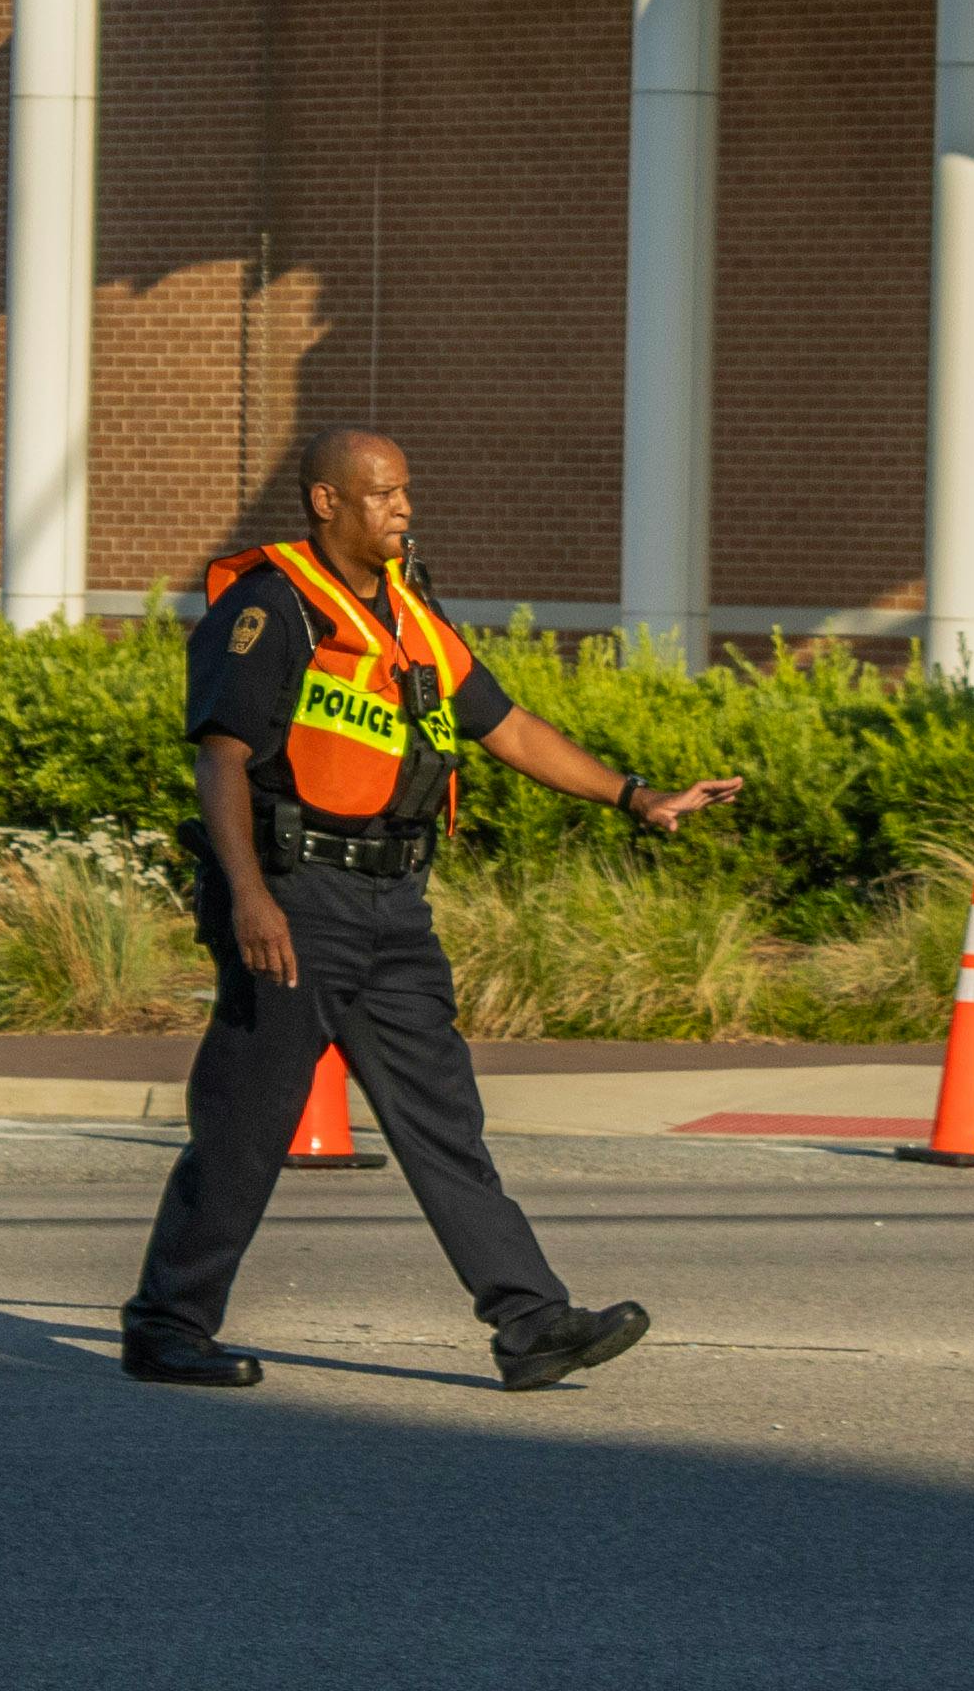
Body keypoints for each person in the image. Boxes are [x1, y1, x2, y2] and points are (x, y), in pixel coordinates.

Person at [122, 427, 742, 1391]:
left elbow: (508, 727)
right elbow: (223, 759)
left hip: (392, 905)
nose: (403, 509)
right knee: (248, 1125)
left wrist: (634, 795)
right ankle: (166, 1324)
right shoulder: (270, 605)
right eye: (381, 494)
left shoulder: (413, 612)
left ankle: (531, 1322)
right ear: (327, 503)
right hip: (294, 896)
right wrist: (247, 896)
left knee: (445, 1120)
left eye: (407, 491)